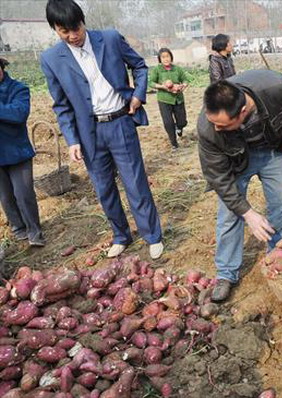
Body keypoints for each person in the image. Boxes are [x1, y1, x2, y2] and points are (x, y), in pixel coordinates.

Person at [40, 0, 164, 259]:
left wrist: (138, 95)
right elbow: (61, 105)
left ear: (83, 22)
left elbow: (139, 66)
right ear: (55, 29)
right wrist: (72, 140)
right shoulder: (51, 59)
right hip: (89, 134)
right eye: (65, 31)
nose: (73, 36)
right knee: (104, 189)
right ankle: (121, 236)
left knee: (135, 184)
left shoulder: (109, 39)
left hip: (120, 122)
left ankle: (152, 235)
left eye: (77, 28)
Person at [197, 70, 282, 302]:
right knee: (230, 215)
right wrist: (248, 213)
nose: (217, 129)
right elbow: (219, 179)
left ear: (242, 112)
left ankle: (277, 257)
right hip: (235, 160)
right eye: (215, 124)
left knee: (281, 204)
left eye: (223, 125)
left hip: (273, 149)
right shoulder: (208, 126)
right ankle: (226, 274)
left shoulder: (276, 87)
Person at [0, 57, 45, 247]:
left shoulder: (18, 88)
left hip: (17, 152)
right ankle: (19, 229)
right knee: (5, 196)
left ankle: (34, 231)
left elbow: (18, 114)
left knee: (23, 193)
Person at [149, 48, 189, 150]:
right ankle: (174, 143)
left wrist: (182, 86)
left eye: (167, 56)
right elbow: (151, 83)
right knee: (168, 122)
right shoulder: (157, 70)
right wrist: (163, 86)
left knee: (182, 121)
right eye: (163, 57)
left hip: (178, 98)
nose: (166, 59)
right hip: (164, 100)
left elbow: (185, 80)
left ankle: (179, 127)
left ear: (171, 57)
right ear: (160, 59)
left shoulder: (177, 69)